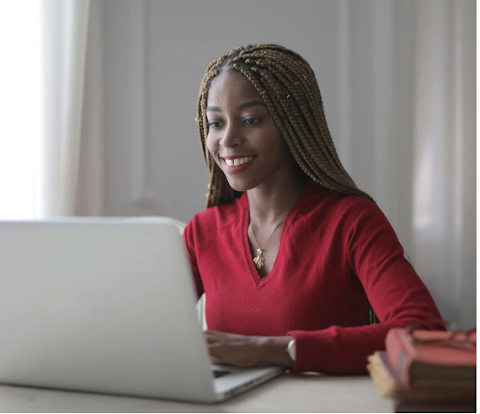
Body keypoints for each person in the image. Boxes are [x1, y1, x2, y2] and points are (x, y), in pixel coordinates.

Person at [182, 44, 443, 375]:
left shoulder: (351, 221)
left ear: (292, 123)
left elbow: (425, 333)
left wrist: (272, 350)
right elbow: (141, 332)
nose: (228, 138)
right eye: (216, 123)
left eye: (251, 119)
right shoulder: (201, 233)